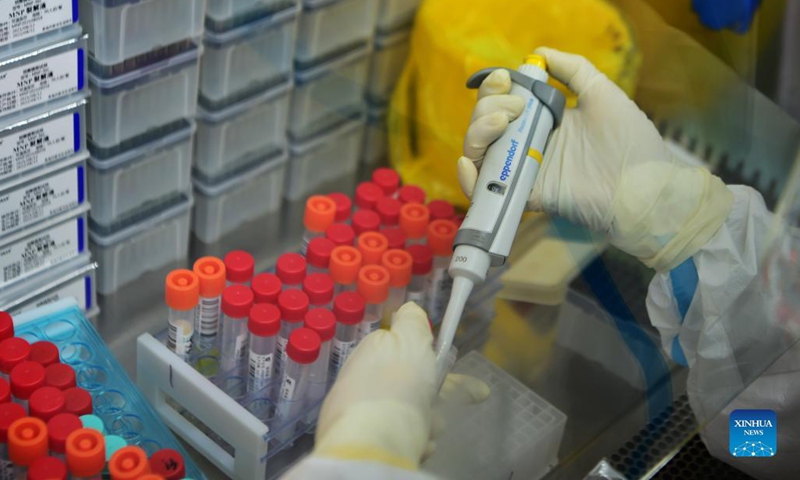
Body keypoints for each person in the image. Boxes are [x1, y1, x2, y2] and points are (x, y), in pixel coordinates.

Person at [284, 48, 798, 479]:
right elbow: (750, 433)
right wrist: (687, 224)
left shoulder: (765, 439)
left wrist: (371, 438)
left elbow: (755, 441)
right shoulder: (763, 432)